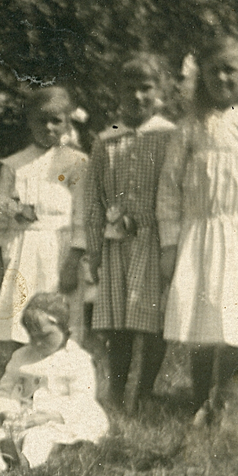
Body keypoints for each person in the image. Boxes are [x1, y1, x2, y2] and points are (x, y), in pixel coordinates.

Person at [158, 36, 238, 425]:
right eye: (213, 70)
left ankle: (224, 397)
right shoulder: (190, 127)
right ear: (202, 77)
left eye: (230, 70)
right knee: (201, 320)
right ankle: (199, 397)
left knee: (236, 322)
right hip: (199, 235)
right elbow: (169, 188)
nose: (221, 78)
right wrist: (170, 244)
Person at [85, 54, 177, 410]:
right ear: (118, 92)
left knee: (152, 320)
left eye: (146, 88)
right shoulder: (106, 140)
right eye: (130, 88)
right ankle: (116, 391)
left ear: (160, 91)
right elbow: (94, 199)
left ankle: (144, 393)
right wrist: (94, 249)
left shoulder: (169, 136)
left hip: (155, 239)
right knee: (117, 322)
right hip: (116, 243)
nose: (138, 96)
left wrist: (174, 244)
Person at [0, 87, 88, 381]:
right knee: (20, 318)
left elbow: (82, 213)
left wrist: (75, 257)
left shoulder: (77, 162)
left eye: (56, 121)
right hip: (22, 250)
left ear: (67, 122)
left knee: (57, 318)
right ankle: (21, 380)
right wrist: (13, 213)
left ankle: (60, 382)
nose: (48, 127)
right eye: (41, 120)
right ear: (29, 121)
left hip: (59, 250)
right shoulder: (14, 164)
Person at [0, 292, 108, 471]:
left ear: (65, 329)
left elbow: (82, 400)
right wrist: (7, 413)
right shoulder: (21, 357)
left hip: (62, 418)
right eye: (32, 337)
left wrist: (49, 417)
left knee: (38, 437)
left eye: (45, 336)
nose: (38, 343)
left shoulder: (77, 359)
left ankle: (25, 463)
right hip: (25, 416)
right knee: (3, 436)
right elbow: (5, 390)